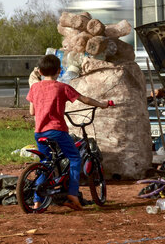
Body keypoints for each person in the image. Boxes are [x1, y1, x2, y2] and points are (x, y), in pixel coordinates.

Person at [26, 54, 109, 210]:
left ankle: (37, 202)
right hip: (57, 130)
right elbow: (85, 99)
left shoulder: (34, 87)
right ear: (59, 70)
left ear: (41, 72)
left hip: (39, 132)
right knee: (75, 158)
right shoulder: (62, 87)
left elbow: (32, 112)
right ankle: (72, 193)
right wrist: (102, 104)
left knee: (45, 163)